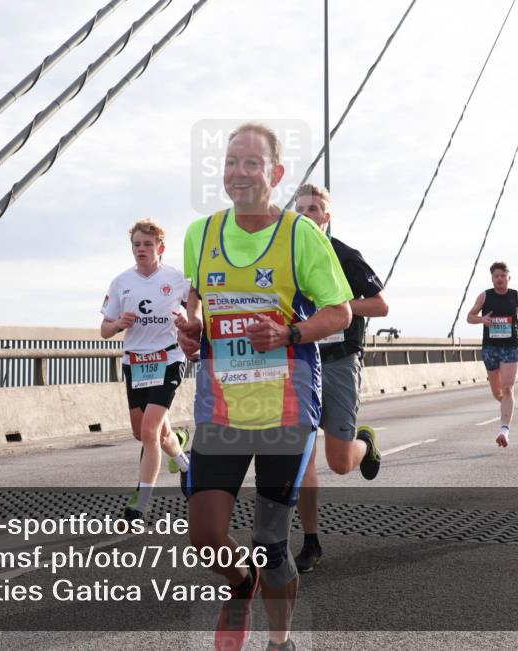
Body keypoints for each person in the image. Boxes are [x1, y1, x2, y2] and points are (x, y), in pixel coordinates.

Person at [175, 123, 352, 651]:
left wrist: (289, 332)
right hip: (222, 406)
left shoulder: (301, 234)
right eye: (231, 162)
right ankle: (241, 582)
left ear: (274, 174)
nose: (239, 172)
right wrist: (193, 328)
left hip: (286, 407)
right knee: (206, 541)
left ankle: (280, 641)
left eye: (252, 163)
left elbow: (339, 313)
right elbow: (197, 299)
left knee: (271, 540)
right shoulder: (199, 234)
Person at [292, 182, 388, 573]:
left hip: (338, 360)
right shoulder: (287, 259)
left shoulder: (345, 256)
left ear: (326, 217)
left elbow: (381, 305)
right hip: (299, 361)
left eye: (313, 209)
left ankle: (364, 443)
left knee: (340, 462)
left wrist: (338, 307)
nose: (306, 215)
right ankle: (311, 542)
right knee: (302, 457)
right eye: (299, 209)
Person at [100, 219, 191, 522]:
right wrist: (118, 324)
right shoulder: (121, 282)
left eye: (147, 245)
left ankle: (139, 506)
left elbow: (196, 312)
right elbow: (104, 330)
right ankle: (184, 461)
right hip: (135, 363)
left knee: (151, 430)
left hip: (168, 358)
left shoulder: (178, 279)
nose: (141, 249)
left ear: (160, 248)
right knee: (145, 433)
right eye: (137, 245)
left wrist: (187, 323)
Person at [466, 262, 518, 448]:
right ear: (492, 278)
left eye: (503, 276)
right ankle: (507, 406)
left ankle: (504, 430)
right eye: (496, 276)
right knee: (497, 392)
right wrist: (482, 319)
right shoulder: (485, 296)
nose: (499, 279)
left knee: (508, 388)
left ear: (509, 277)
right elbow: (470, 317)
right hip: (490, 347)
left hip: (510, 346)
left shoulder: (516, 295)